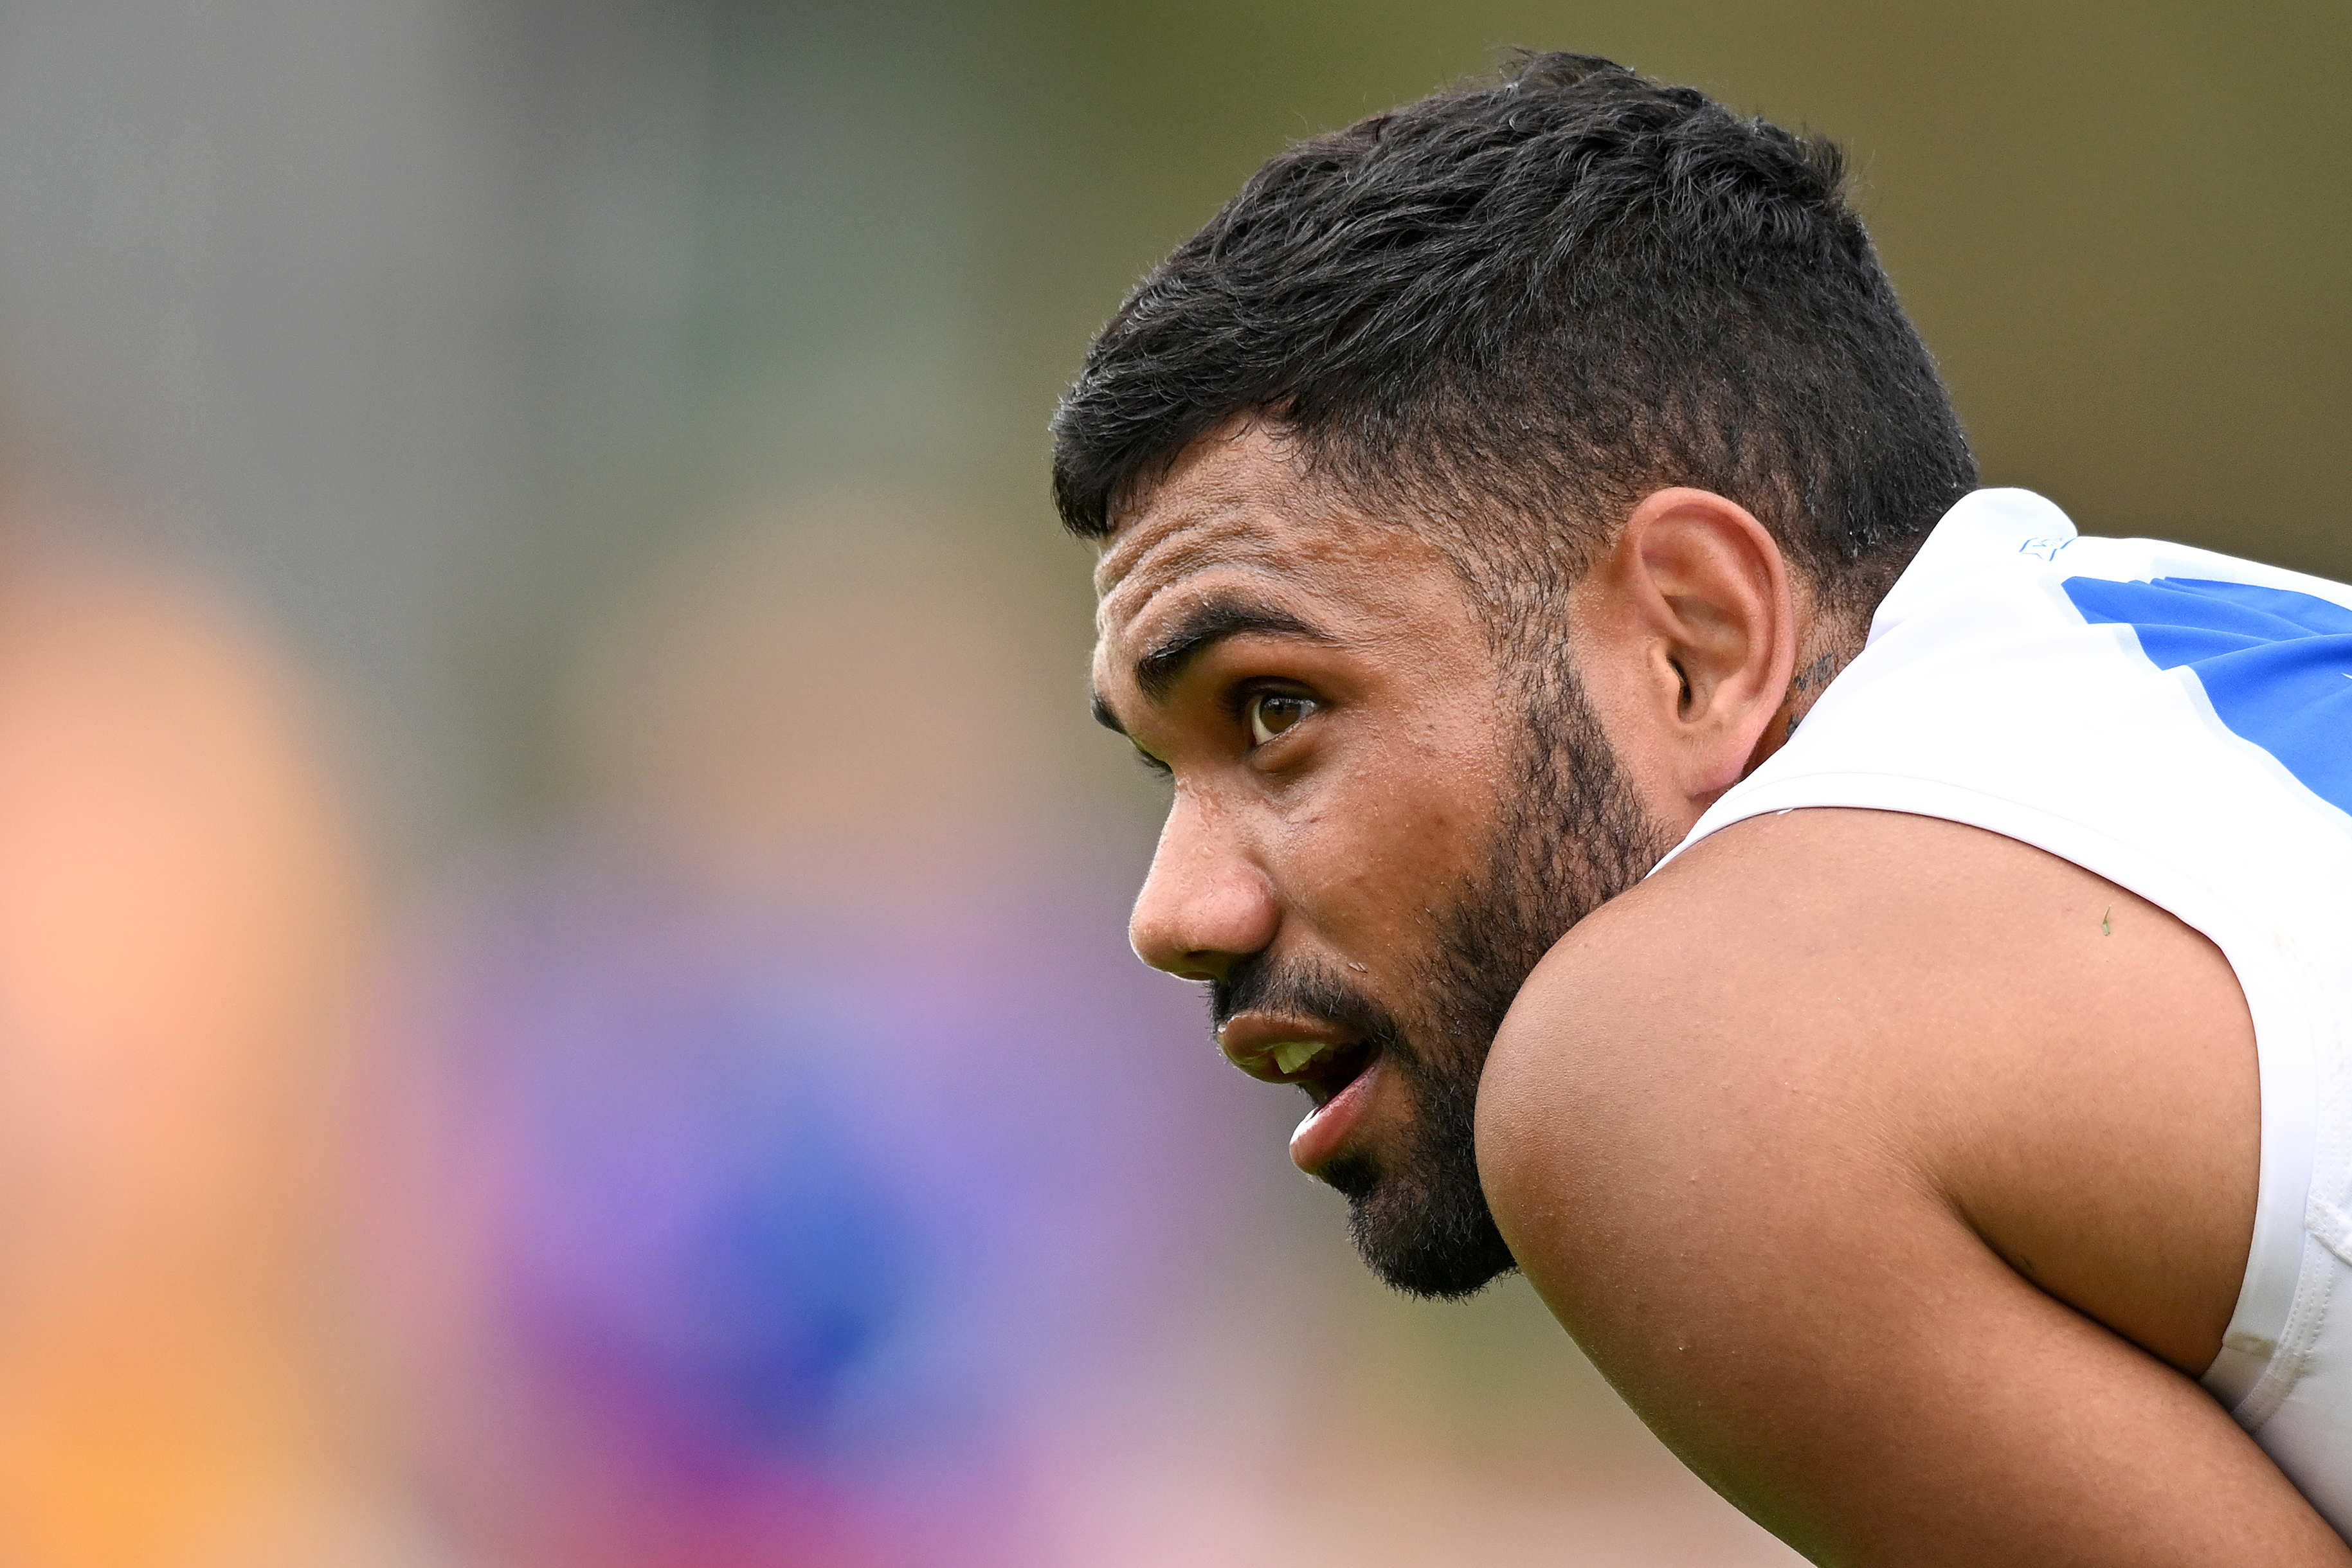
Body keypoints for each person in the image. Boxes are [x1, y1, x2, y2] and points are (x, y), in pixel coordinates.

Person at [1053, 51, 2352, 1565]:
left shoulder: (1676, 1050)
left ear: (1692, 645)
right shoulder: (2208, 658)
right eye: (1163, 768)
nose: (1170, 913)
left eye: (1276, 710)